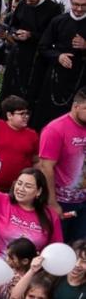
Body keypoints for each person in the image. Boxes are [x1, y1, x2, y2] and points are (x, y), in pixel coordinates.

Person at [37, 87, 86, 242]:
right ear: (76, 106)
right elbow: (46, 167)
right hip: (63, 201)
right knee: (59, 245)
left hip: (83, 200)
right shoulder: (55, 129)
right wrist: (52, 202)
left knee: (80, 247)